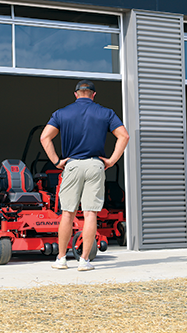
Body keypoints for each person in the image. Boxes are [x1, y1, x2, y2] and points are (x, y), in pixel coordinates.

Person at [40, 80, 129, 271]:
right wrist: (111, 160)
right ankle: (84, 261)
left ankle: (62, 259)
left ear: (75, 94)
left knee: (67, 213)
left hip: (71, 165)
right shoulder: (106, 113)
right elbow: (124, 136)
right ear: (93, 95)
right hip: (95, 164)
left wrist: (57, 161)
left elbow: (44, 137)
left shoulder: (62, 113)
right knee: (90, 213)